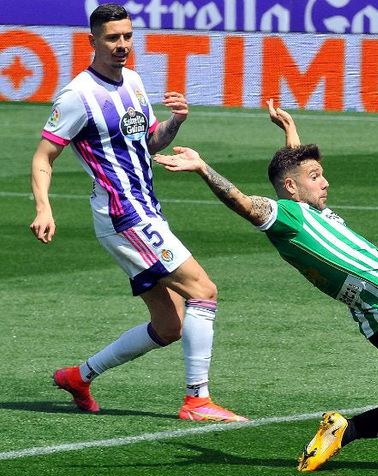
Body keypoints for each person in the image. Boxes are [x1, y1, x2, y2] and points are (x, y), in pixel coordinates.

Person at [153, 100, 378, 472]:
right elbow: (245, 203)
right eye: (316, 176)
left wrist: (290, 132)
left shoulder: (312, 212)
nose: (325, 182)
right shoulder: (288, 216)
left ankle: (346, 430)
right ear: (291, 187)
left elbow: (293, 172)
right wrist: (203, 168)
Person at [29, 3, 245, 422]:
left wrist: (176, 122)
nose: (122, 44)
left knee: (169, 326)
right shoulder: (77, 96)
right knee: (203, 291)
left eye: (127, 36)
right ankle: (197, 400)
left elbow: (147, 142)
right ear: (92, 41)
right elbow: (43, 156)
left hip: (145, 209)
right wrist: (44, 207)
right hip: (123, 214)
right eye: (112, 37)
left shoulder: (133, 80)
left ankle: (79, 377)